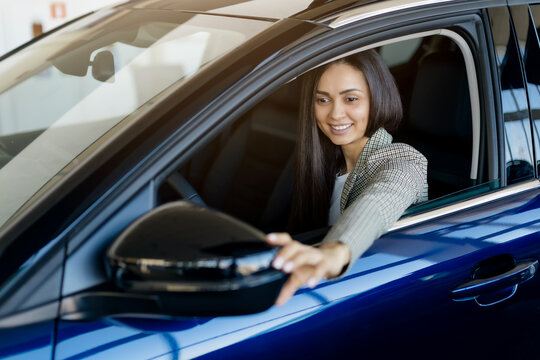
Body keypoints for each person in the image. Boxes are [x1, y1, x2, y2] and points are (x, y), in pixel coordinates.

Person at [265, 49, 428, 306]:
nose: (335, 114)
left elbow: (382, 198)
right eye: (323, 100)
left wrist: (335, 250)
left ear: (377, 99)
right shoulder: (324, 165)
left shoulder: (403, 160)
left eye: (351, 99)